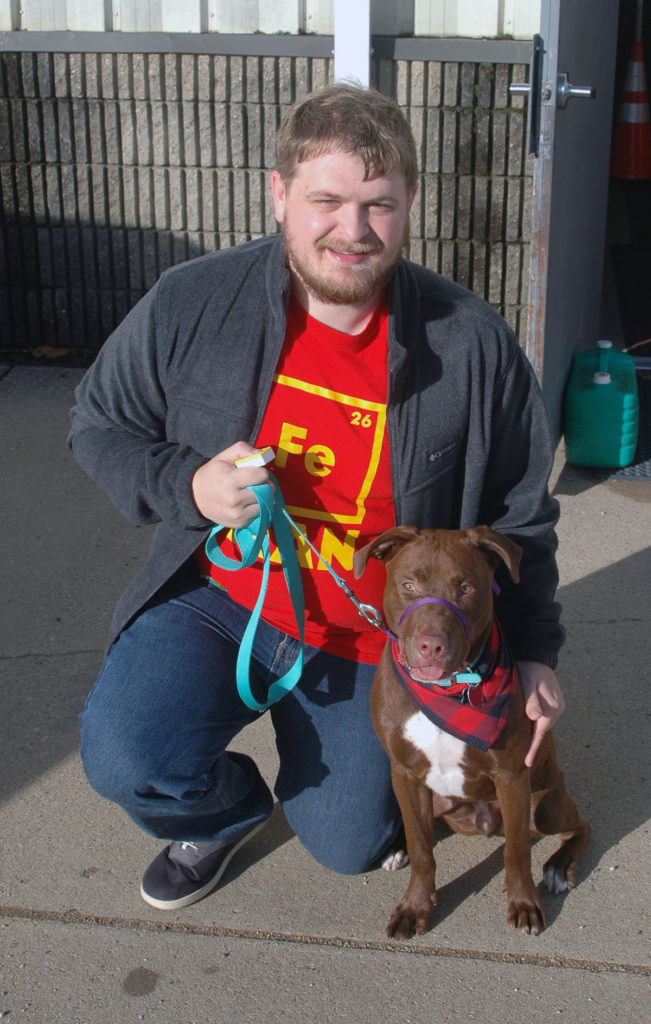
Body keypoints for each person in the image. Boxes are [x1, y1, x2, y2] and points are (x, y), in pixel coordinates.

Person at [68, 83, 565, 912]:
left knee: (347, 843)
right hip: (223, 600)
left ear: (410, 201)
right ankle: (222, 813)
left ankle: (335, 786)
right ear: (279, 194)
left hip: (379, 640)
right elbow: (98, 422)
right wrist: (188, 484)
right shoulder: (195, 300)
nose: (352, 229)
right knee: (126, 756)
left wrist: (539, 647)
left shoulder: (470, 341)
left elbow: (522, 513)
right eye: (326, 201)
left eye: (378, 204)